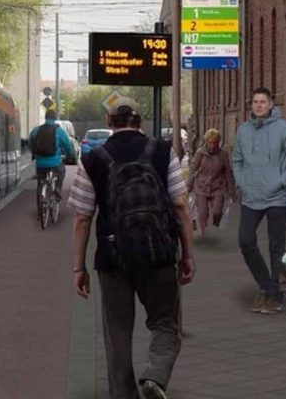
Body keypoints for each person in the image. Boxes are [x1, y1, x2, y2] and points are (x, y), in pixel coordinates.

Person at [69, 98, 194, 399]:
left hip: (113, 258)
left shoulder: (93, 158)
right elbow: (180, 205)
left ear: (109, 122)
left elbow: (83, 218)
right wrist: (187, 254)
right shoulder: (164, 152)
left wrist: (79, 267)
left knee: (117, 336)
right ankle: (155, 375)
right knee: (166, 324)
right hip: (159, 254)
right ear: (140, 122)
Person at [231, 86, 286, 315]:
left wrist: (280, 181)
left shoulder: (283, 128)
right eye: (255, 102)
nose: (259, 105)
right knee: (245, 240)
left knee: (276, 248)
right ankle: (266, 285)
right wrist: (242, 182)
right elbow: (236, 160)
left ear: (271, 104)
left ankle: (273, 297)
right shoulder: (243, 130)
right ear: (251, 105)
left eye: (263, 101)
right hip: (251, 195)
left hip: (276, 197)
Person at [187, 129, 236, 235]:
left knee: (217, 211)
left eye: (215, 143)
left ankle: (216, 223)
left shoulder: (223, 155)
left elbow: (228, 173)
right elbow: (193, 169)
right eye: (210, 142)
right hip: (201, 186)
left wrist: (232, 192)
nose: (213, 145)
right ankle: (203, 234)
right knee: (203, 213)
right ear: (206, 142)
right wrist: (188, 186)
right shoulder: (200, 153)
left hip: (217, 187)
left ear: (219, 142)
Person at [29, 109, 74, 203]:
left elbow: (30, 143)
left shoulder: (36, 130)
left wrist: (34, 154)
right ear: (55, 118)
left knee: (40, 182)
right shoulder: (58, 130)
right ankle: (57, 188)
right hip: (55, 163)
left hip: (40, 163)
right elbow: (67, 145)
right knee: (62, 171)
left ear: (45, 117)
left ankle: (40, 207)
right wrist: (70, 155)